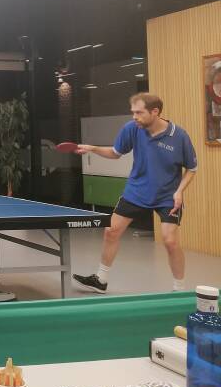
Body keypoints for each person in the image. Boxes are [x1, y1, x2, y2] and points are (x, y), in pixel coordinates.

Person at [73, 93, 198, 294]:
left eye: (139, 112)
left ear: (155, 112)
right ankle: (101, 280)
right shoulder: (132, 129)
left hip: (167, 195)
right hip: (137, 191)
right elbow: (116, 153)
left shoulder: (179, 136)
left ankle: (179, 290)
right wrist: (93, 148)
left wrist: (180, 192)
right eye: (133, 112)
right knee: (111, 231)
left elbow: (191, 168)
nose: (134, 117)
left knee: (170, 241)